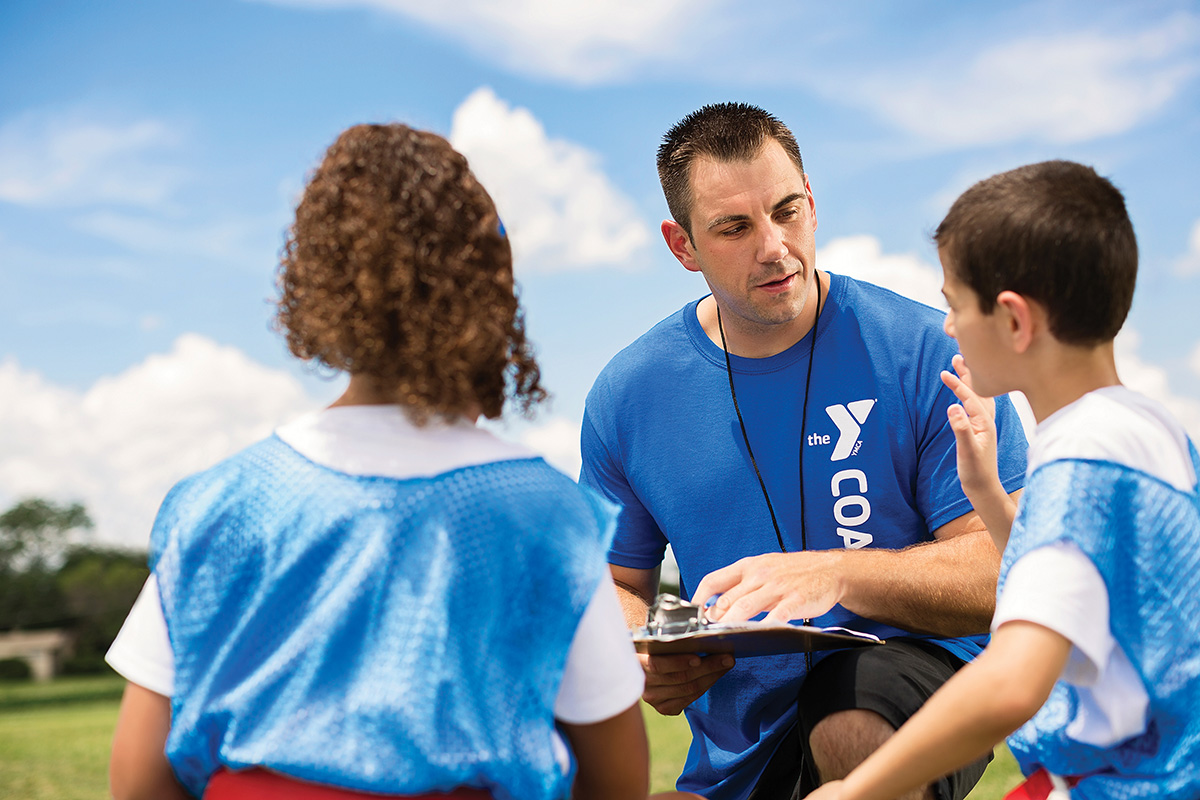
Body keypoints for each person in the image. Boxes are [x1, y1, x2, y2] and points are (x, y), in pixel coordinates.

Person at [106, 123, 701, 800]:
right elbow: (614, 781)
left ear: (314, 280)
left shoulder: (214, 507)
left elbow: (137, 781)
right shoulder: (547, 517)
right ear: (491, 288)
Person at [579, 102, 1030, 800]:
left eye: (787, 211)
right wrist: (642, 653)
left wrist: (842, 576)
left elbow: (1013, 570)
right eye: (734, 227)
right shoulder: (629, 393)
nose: (773, 245)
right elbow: (615, 586)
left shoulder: (927, 354)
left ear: (812, 203)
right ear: (682, 246)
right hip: (736, 745)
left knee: (849, 719)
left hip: (905, 691)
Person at [806, 160, 1200, 800]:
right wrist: (988, 494)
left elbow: (1012, 683)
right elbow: (1073, 580)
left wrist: (859, 790)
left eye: (956, 305)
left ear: (1015, 320)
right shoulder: (1147, 429)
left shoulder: (1080, 453)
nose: (949, 327)